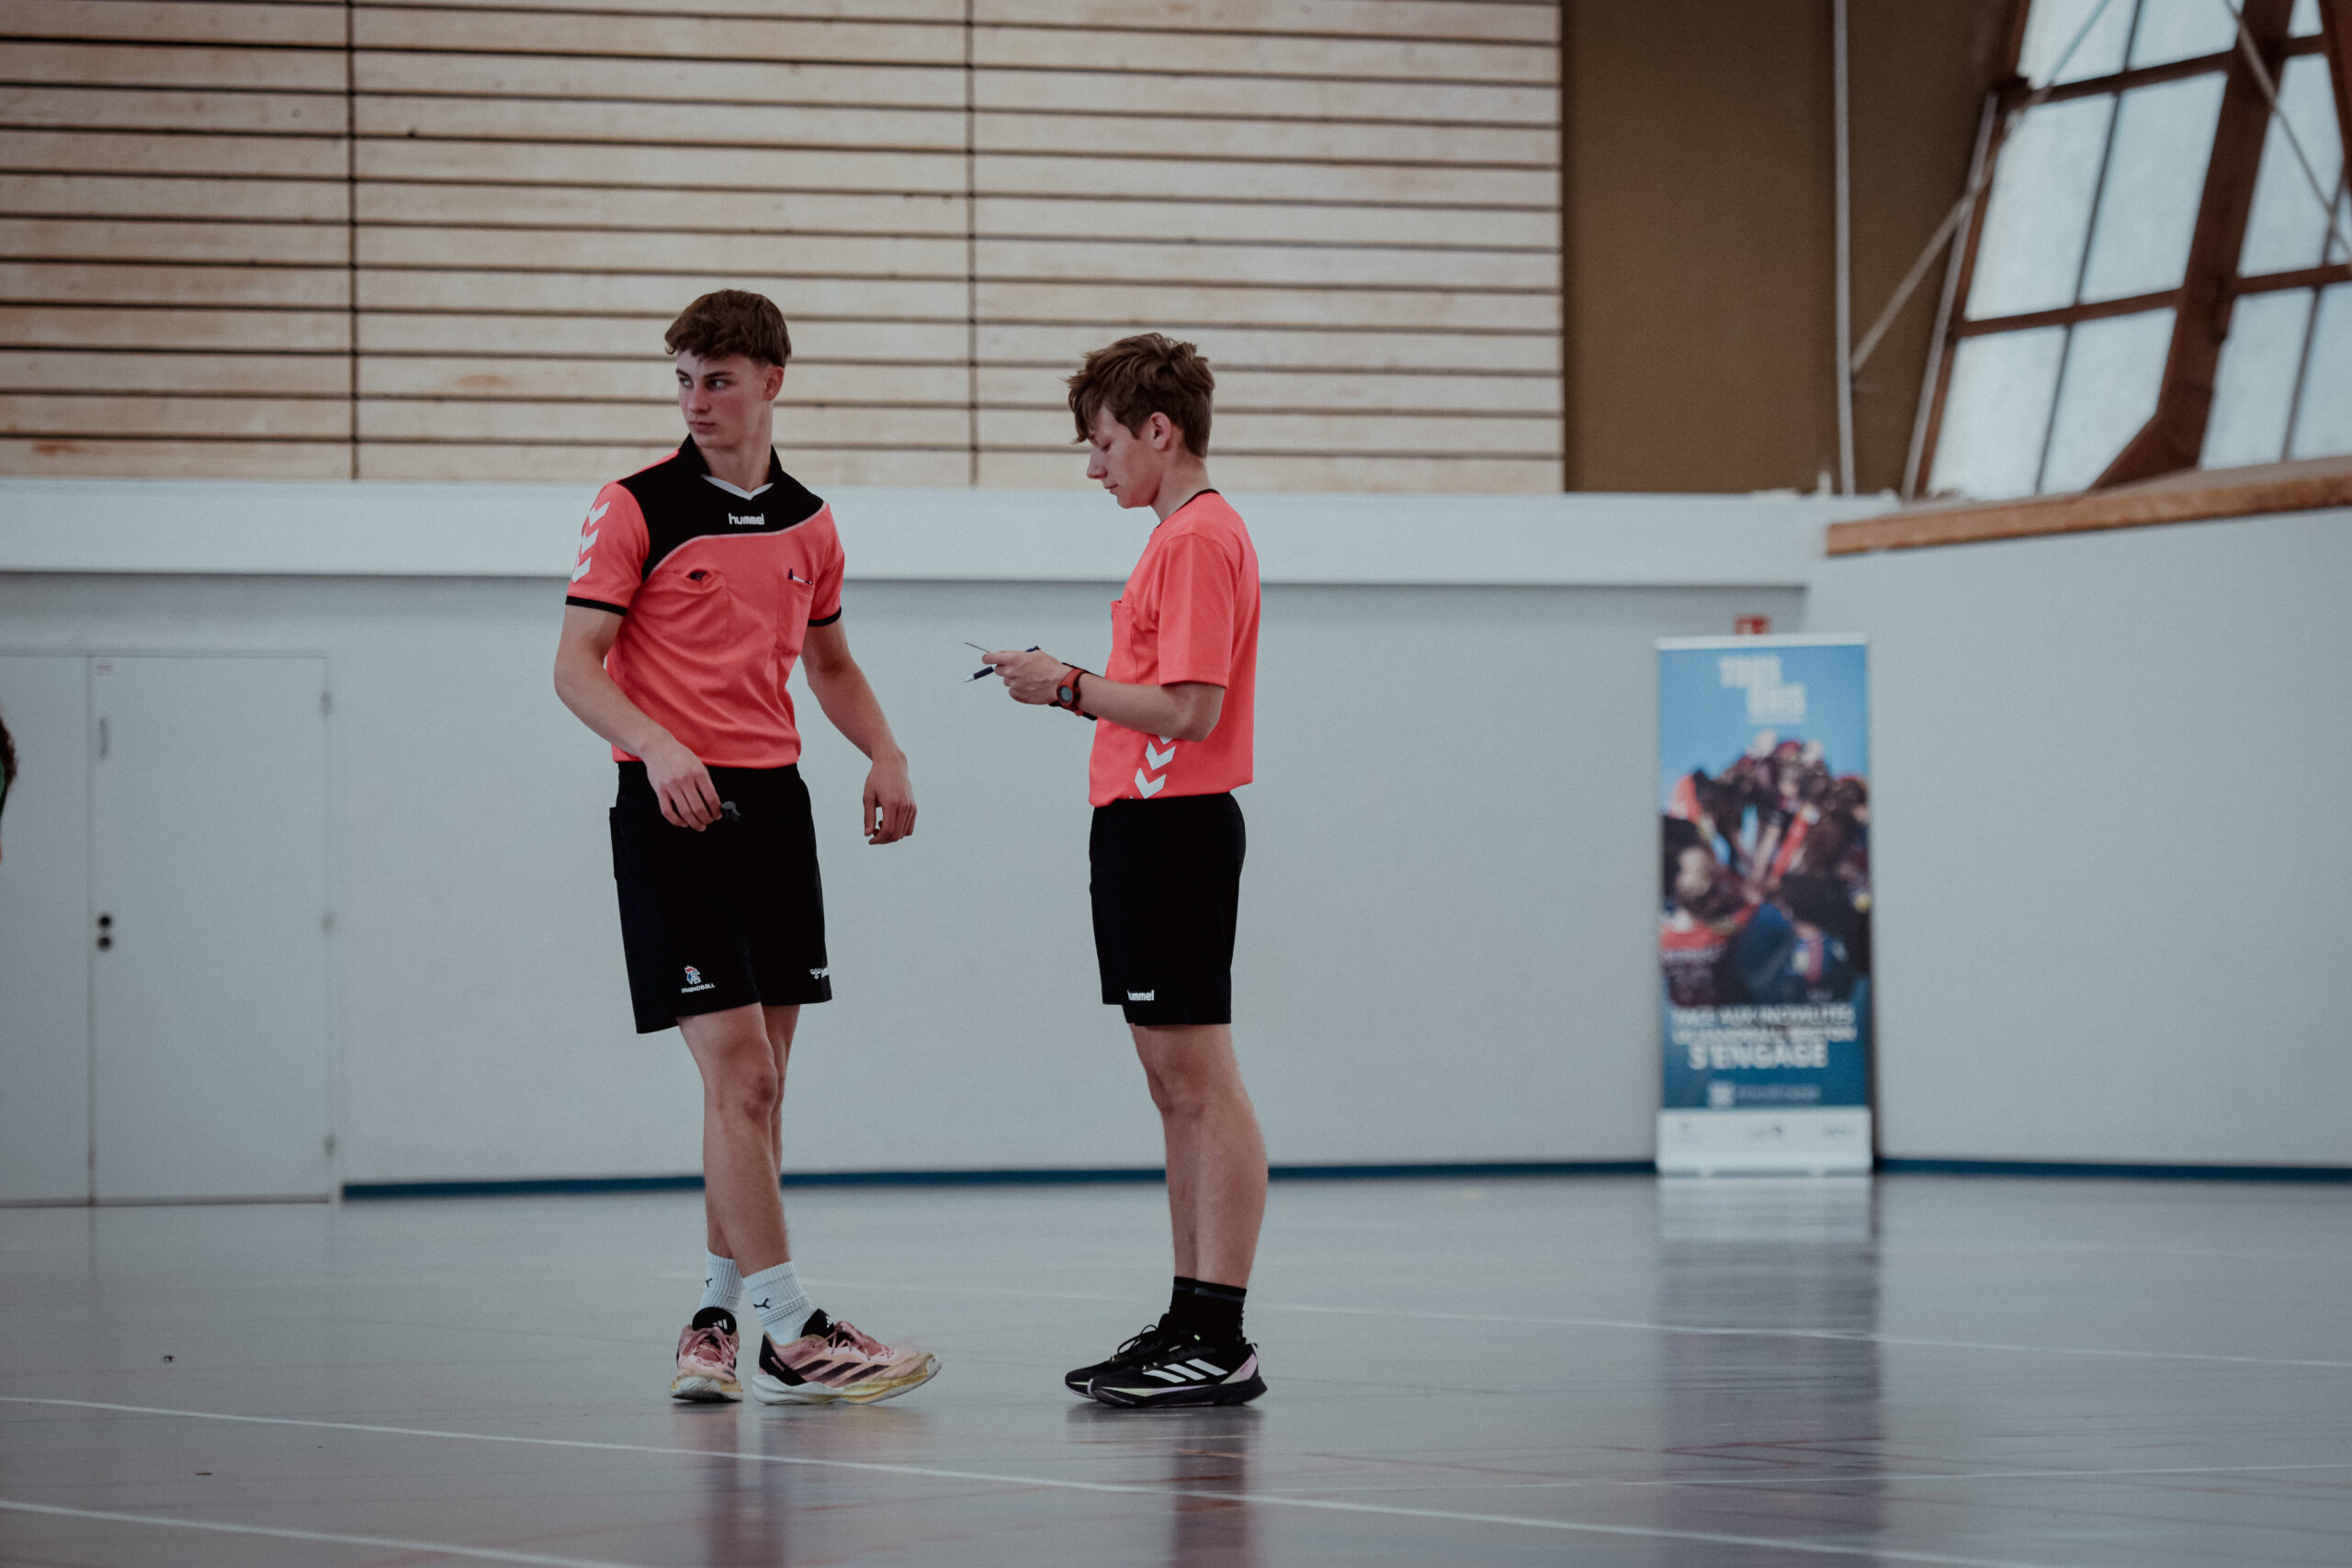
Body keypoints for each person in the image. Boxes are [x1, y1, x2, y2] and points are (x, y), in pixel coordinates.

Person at [553, 289, 938, 1406]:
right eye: (682, 379)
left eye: (717, 380)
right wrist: (656, 744)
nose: (695, 401)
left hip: (775, 812)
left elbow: (831, 667)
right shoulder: (635, 506)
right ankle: (793, 1330)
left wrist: (886, 751)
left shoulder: (811, 522)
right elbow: (575, 667)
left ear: (772, 381)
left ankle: (718, 1316)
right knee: (743, 1073)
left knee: (758, 1088)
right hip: (672, 811)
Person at [982, 333, 1269, 1408]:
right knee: (1172, 1089)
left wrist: (1065, 684)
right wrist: (1068, 686)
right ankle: (1191, 1318)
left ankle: (1218, 1333)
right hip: (1144, 829)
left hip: (1176, 828)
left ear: (1160, 429)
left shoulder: (1196, 540)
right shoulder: (1175, 540)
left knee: (1201, 1084)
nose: (1094, 467)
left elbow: (1190, 712)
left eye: (1102, 444)